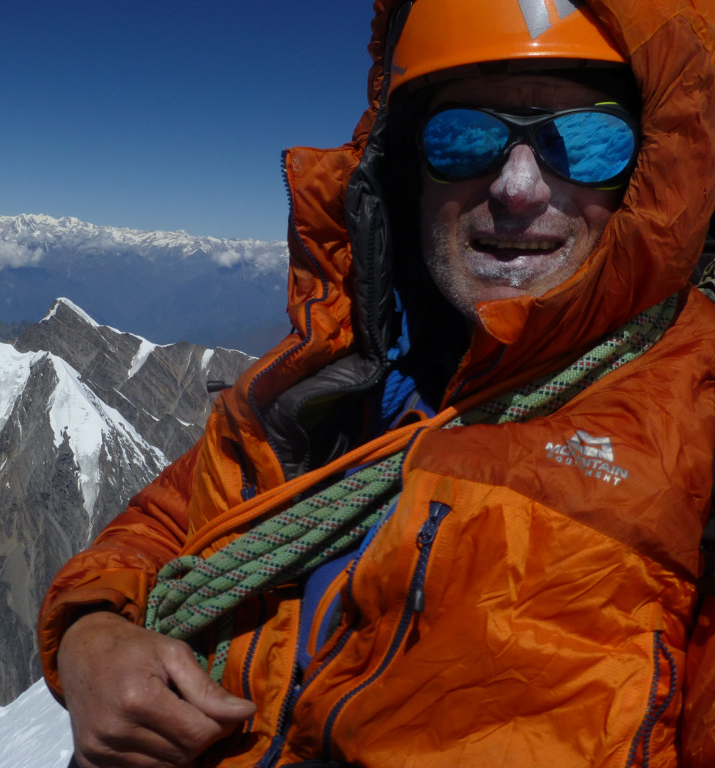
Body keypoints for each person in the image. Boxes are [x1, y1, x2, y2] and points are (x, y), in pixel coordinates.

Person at [38, 0, 715, 766]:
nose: (519, 188)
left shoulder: (696, 430)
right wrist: (93, 628)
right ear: (405, 171)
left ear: (648, 175)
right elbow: (176, 517)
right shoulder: (338, 374)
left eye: (588, 143)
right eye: (466, 138)